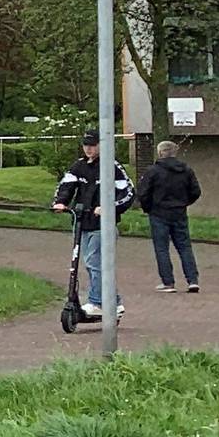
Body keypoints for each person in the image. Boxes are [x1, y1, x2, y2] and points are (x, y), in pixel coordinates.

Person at [53, 131, 136, 318]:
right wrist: (60, 202)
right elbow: (66, 185)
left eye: (93, 145)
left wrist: (108, 207)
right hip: (82, 222)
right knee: (90, 264)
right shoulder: (79, 166)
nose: (89, 148)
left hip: (103, 225)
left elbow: (128, 193)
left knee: (94, 262)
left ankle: (98, 302)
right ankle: (114, 302)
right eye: (86, 145)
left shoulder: (112, 167)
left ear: (101, 145)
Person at [136, 139, 202, 294]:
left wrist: (148, 208)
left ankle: (168, 282)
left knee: (162, 248)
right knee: (185, 246)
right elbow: (196, 191)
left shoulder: (153, 171)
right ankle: (192, 280)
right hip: (179, 212)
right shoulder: (186, 170)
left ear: (160, 153)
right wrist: (184, 203)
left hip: (159, 213)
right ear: (175, 152)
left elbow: (143, 193)